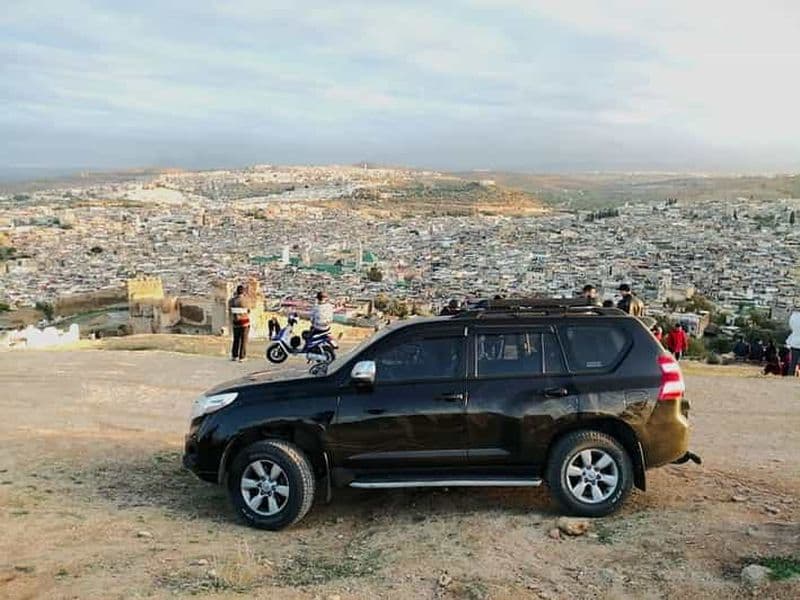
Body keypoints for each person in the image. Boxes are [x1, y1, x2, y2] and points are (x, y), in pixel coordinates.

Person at [228, 284, 250, 362]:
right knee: (243, 340)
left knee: (236, 339)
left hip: (235, 322)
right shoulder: (246, 300)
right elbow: (248, 310)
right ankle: (242, 357)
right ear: (243, 291)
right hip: (244, 322)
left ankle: (234, 355)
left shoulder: (231, 301)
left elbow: (230, 310)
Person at [786, 308, 800, 377]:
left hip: (794, 343)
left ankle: (790, 375)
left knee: (793, 362)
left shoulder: (793, 316)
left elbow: (791, 327)